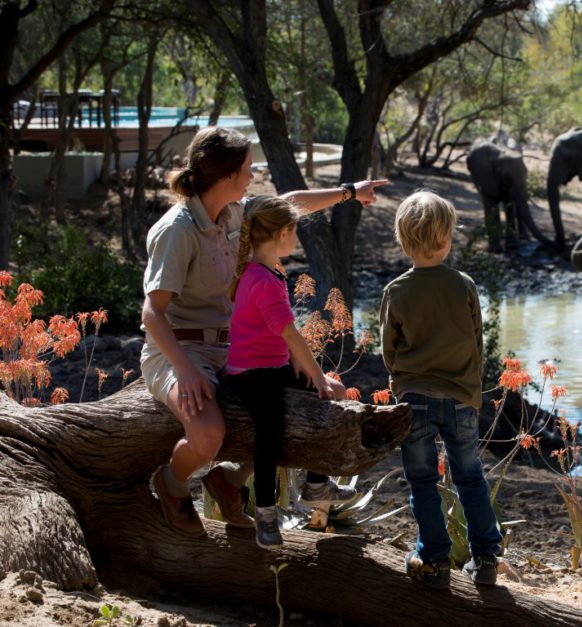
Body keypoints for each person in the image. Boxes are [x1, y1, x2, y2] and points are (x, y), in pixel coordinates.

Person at [142, 125, 386, 538]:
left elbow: (288, 205)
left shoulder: (236, 211)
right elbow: (152, 313)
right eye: (247, 168)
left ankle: (228, 481)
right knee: (208, 434)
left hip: (233, 350)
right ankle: (172, 484)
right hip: (180, 350)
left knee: (289, 409)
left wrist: (349, 191)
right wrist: (184, 370)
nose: (252, 176)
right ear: (226, 176)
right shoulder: (177, 229)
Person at [380, 190, 502, 588]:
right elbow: (476, 341)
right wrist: (472, 389)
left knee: (422, 481)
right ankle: (486, 558)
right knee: (470, 477)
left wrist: (401, 383)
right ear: (448, 238)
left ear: (403, 240)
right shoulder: (463, 284)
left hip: (414, 399)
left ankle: (433, 558)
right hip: (461, 398)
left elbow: (389, 350)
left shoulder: (396, 291)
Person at [224, 196, 349, 548]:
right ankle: (265, 513)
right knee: (271, 431)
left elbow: (276, 335)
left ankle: (316, 483)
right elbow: (291, 334)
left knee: (337, 394)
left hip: (274, 366)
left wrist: (308, 371)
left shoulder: (267, 271)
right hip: (250, 374)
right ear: (282, 233)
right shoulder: (262, 279)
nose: (297, 240)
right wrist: (317, 376)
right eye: (295, 232)